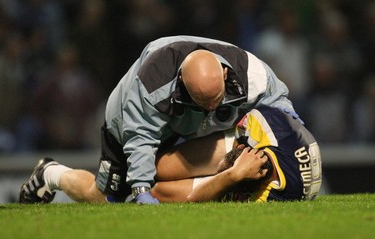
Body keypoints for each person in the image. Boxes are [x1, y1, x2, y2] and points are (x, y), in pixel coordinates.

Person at [19, 35, 296, 205]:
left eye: (218, 99)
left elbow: (277, 97)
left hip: (191, 126)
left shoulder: (250, 72)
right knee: (106, 198)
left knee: (222, 149)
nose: (214, 107)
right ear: (184, 87)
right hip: (127, 124)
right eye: (205, 102)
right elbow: (141, 137)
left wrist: (292, 128)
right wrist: (140, 188)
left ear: (224, 73)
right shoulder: (151, 85)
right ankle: (51, 173)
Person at [151, 105, 322, 202]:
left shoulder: (271, 196)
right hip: (255, 140)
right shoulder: (266, 126)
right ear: (241, 148)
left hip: (244, 174)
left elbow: (192, 200)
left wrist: (230, 177)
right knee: (160, 167)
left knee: (159, 192)